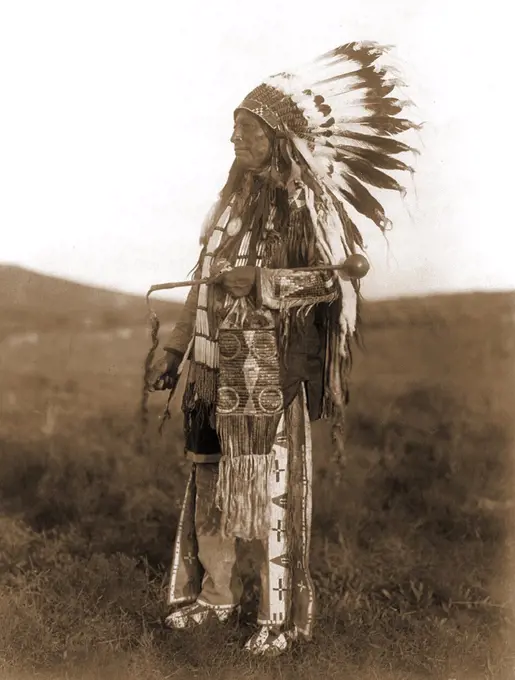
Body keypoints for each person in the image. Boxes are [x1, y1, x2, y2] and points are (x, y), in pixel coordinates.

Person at [147, 40, 418, 656]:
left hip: (272, 373)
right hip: (215, 371)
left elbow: (343, 275)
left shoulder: (307, 205)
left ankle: (278, 617)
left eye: (248, 131)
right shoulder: (231, 204)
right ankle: (214, 597)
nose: (236, 141)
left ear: (279, 139)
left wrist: (265, 283)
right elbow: (203, 276)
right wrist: (175, 347)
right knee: (211, 483)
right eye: (234, 129)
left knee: (272, 488)